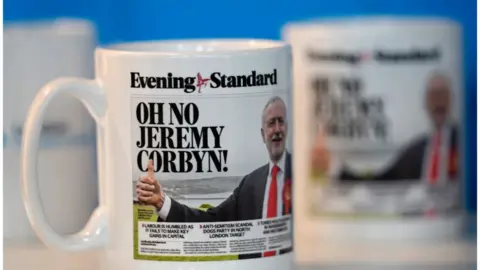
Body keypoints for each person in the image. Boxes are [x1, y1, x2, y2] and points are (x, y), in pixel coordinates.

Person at [136, 96, 292, 223]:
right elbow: (212, 220)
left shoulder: (301, 175)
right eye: (271, 123)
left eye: (281, 122)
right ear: (262, 134)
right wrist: (162, 202)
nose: (277, 129)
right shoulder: (249, 185)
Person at [312, 72, 459, 184]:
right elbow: (382, 180)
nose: (438, 101)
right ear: (426, 103)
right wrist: (335, 166)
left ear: (451, 99)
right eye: (434, 96)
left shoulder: (464, 142)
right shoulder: (414, 151)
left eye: (443, 94)